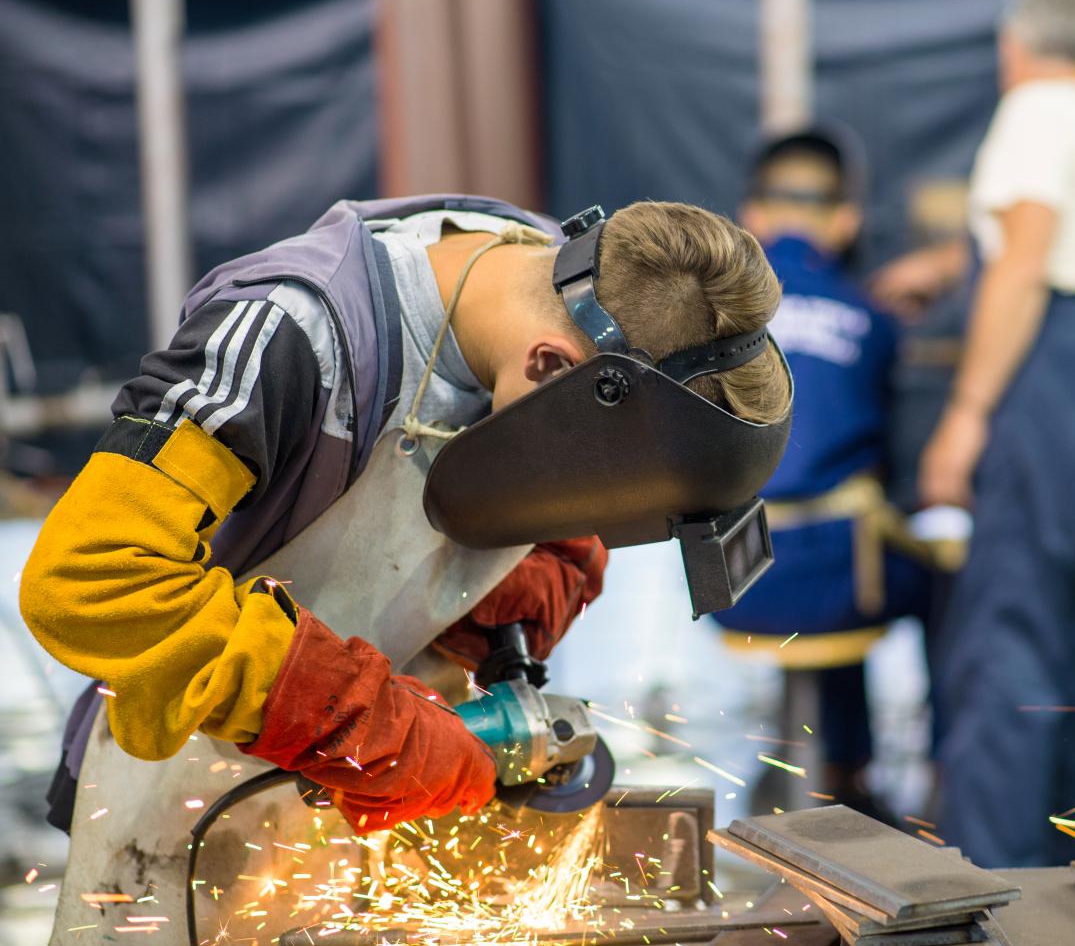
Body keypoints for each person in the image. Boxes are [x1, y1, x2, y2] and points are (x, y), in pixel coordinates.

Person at [20, 195, 792, 838]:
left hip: (365, 807)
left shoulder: (567, 294)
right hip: (179, 800)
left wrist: (503, 606)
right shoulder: (293, 336)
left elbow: (536, 465)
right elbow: (88, 580)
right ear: (551, 368)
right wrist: (364, 724)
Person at [919, 0, 1075, 865]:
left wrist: (967, 415)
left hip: (1044, 404)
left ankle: (992, 893)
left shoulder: (1037, 112)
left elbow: (1023, 266)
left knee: (1004, 643)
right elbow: (1056, 249)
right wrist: (950, 263)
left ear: (1014, 45)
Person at [713, 127, 931, 817]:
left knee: (827, 538)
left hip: (736, 581)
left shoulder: (707, 319)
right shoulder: (872, 317)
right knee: (949, 574)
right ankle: (877, 772)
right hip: (844, 582)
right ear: (847, 219)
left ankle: (795, 761)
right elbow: (891, 459)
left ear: (752, 215)